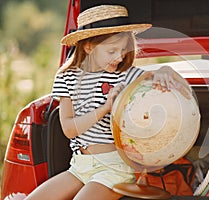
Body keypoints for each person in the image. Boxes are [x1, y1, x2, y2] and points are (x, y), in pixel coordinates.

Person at [25, 4, 187, 200]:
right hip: (79, 166)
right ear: (88, 46)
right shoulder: (65, 77)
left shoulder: (126, 76)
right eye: (111, 51)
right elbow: (68, 129)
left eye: (122, 50)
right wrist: (105, 108)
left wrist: (166, 71)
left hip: (114, 169)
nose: (119, 58)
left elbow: (170, 82)